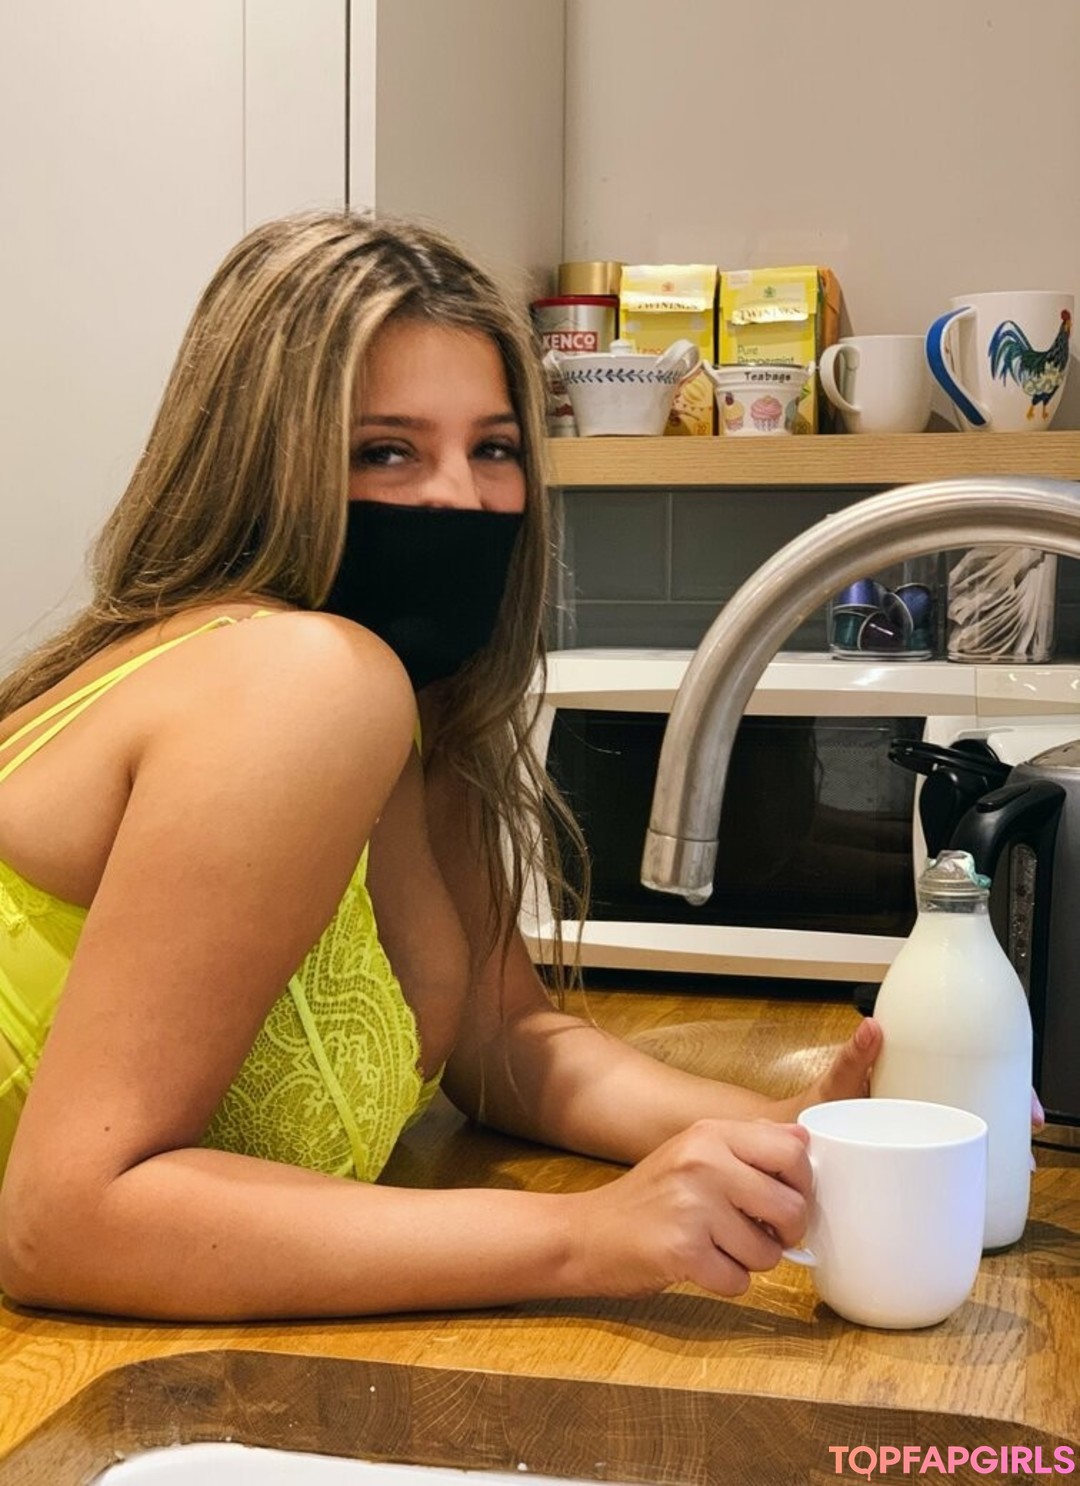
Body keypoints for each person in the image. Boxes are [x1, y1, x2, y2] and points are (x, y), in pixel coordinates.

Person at [0, 210, 882, 1322]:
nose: (460, 499)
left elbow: (503, 1038)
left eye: (493, 448)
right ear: (266, 466)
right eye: (388, 450)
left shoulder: (410, 710)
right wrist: (588, 1234)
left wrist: (785, 1141)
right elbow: (66, 1221)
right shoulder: (299, 680)